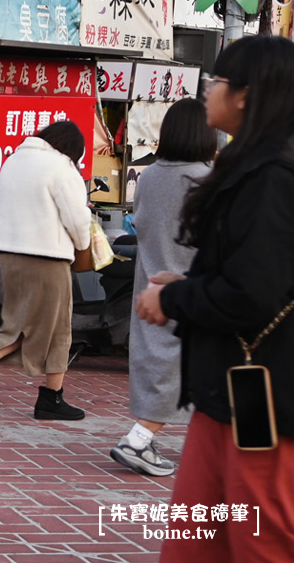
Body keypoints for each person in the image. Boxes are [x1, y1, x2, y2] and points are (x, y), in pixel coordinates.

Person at [137, 36, 294, 559]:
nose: (207, 91)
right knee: (194, 542)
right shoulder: (247, 166)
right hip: (224, 392)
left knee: (259, 543)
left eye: (216, 81)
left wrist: (177, 300)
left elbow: (253, 293)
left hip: (264, 396)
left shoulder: (273, 177)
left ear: (246, 95)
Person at [0, 120, 92, 420]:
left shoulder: (14, 160)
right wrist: (85, 244)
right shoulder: (61, 166)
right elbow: (78, 219)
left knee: (24, 322)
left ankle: (49, 398)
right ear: (70, 149)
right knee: (52, 328)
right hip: (47, 258)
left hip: (10, 256)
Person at [109, 98, 213, 478]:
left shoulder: (149, 176)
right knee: (187, 369)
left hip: (150, 280)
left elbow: (143, 224)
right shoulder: (210, 178)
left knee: (159, 364)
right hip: (193, 285)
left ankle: (146, 441)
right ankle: (137, 440)